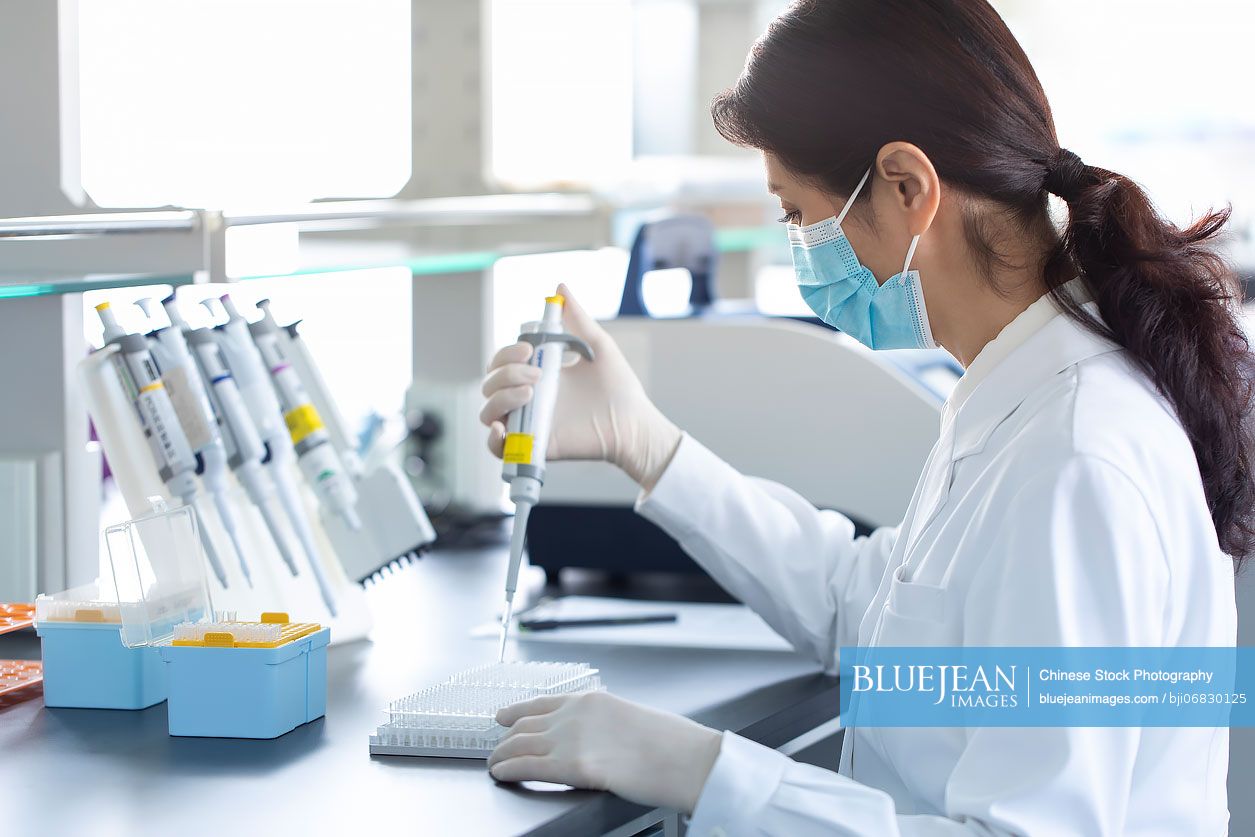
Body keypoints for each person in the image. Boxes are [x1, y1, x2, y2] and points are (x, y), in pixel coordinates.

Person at [478, 0, 1255, 832]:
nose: (798, 244)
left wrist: (707, 770)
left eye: (794, 212)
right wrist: (646, 447)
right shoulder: (1020, 398)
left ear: (907, 186)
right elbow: (882, 619)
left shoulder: (1072, 457)